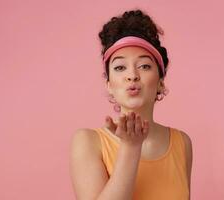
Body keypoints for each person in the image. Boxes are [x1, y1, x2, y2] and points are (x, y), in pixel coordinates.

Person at [69, 9, 193, 200]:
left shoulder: (182, 142)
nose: (132, 75)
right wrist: (131, 147)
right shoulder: (87, 142)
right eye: (120, 67)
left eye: (144, 66)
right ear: (109, 85)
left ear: (160, 81)